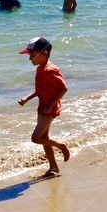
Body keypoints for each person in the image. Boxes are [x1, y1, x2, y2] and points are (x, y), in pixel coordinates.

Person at [17, 37, 70, 178]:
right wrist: (27, 98)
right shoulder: (40, 68)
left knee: (36, 138)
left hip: (49, 108)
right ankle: (53, 167)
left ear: (44, 53)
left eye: (32, 55)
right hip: (43, 106)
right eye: (29, 55)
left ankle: (61, 146)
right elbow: (40, 90)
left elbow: (63, 88)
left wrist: (51, 105)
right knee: (44, 138)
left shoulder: (49, 70)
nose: (30, 59)